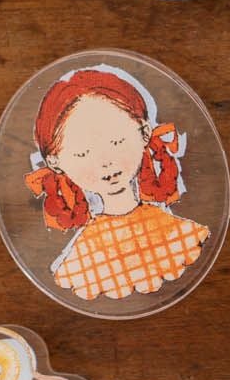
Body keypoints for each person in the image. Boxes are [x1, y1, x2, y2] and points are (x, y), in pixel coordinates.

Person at [25, 67, 209, 304]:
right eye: (82, 154)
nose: (105, 162)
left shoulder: (180, 234)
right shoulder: (83, 259)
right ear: (55, 163)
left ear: (144, 132)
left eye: (117, 142)